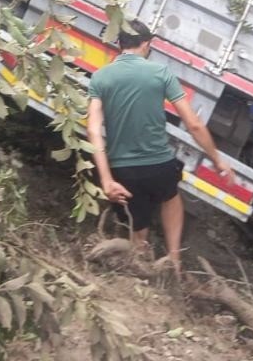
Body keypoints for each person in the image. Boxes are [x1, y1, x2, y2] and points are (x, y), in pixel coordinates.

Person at [87, 18, 235, 277]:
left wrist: (107, 179)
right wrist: (217, 159)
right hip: (159, 165)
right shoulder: (161, 73)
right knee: (170, 196)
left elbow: (92, 129)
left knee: (138, 219)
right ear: (146, 44)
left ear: (119, 43)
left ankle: (140, 258)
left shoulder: (100, 77)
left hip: (123, 170)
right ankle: (174, 259)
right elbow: (194, 125)